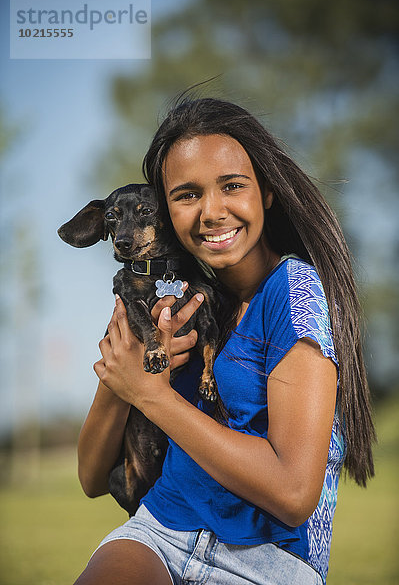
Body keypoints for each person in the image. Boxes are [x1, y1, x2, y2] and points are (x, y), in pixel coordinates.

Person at [73, 96, 376, 585]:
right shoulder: (173, 302)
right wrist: (119, 382)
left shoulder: (294, 293)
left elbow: (294, 495)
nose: (212, 212)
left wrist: (150, 395)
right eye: (187, 195)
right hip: (157, 532)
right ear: (165, 211)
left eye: (232, 186)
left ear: (267, 192)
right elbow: (91, 477)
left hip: (267, 558)